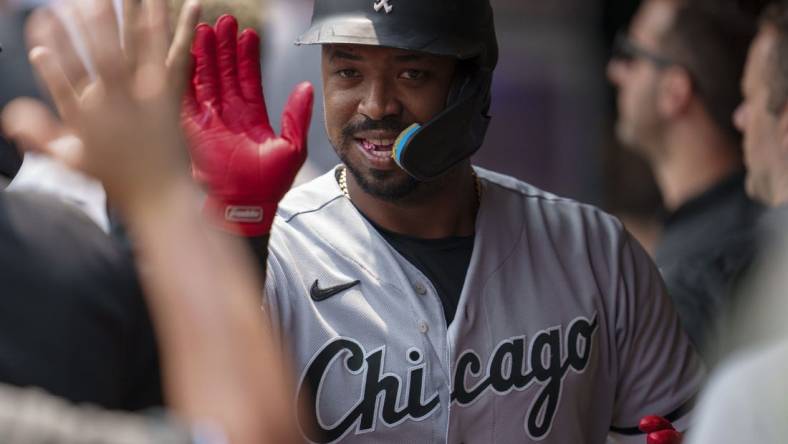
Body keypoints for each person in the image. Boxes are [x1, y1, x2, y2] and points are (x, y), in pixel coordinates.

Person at [182, 1, 703, 442]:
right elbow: (205, 417)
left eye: (413, 73)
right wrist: (238, 235)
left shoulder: (594, 252)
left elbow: (682, 421)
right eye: (348, 71)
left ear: (469, 85)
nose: (376, 104)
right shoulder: (276, 253)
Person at [1, 0, 301, 442]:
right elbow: (232, 430)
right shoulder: (63, 235)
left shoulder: (57, 238)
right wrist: (161, 196)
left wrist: (239, 223)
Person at [607, 0, 763, 361]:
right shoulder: (754, 220)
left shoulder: (693, 275)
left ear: (674, 92)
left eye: (631, 54)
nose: (615, 70)